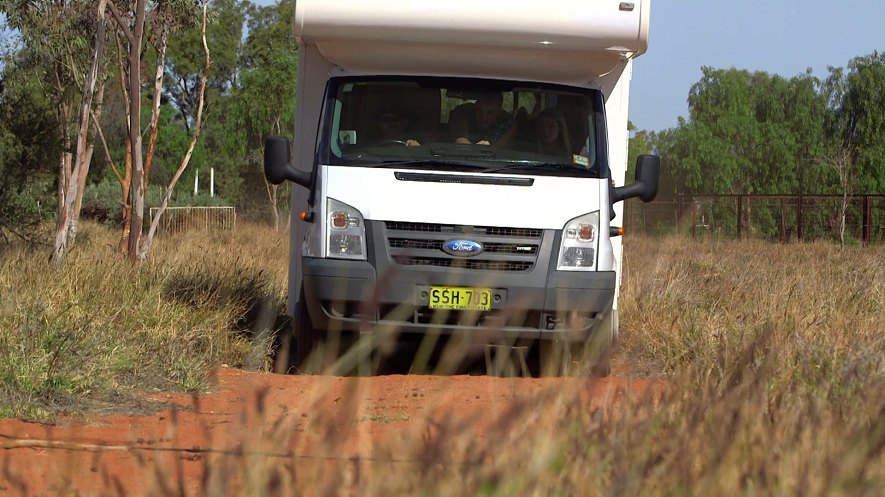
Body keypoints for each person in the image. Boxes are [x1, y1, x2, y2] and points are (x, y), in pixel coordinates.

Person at [448, 92, 522, 147]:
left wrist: (489, 149)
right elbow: (460, 139)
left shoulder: (508, 123)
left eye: (490, 113)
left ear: (499, 113)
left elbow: (502, 148)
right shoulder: (465, 115)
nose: (483, 117)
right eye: (480, 110)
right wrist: (479, 149)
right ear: (475, 108)